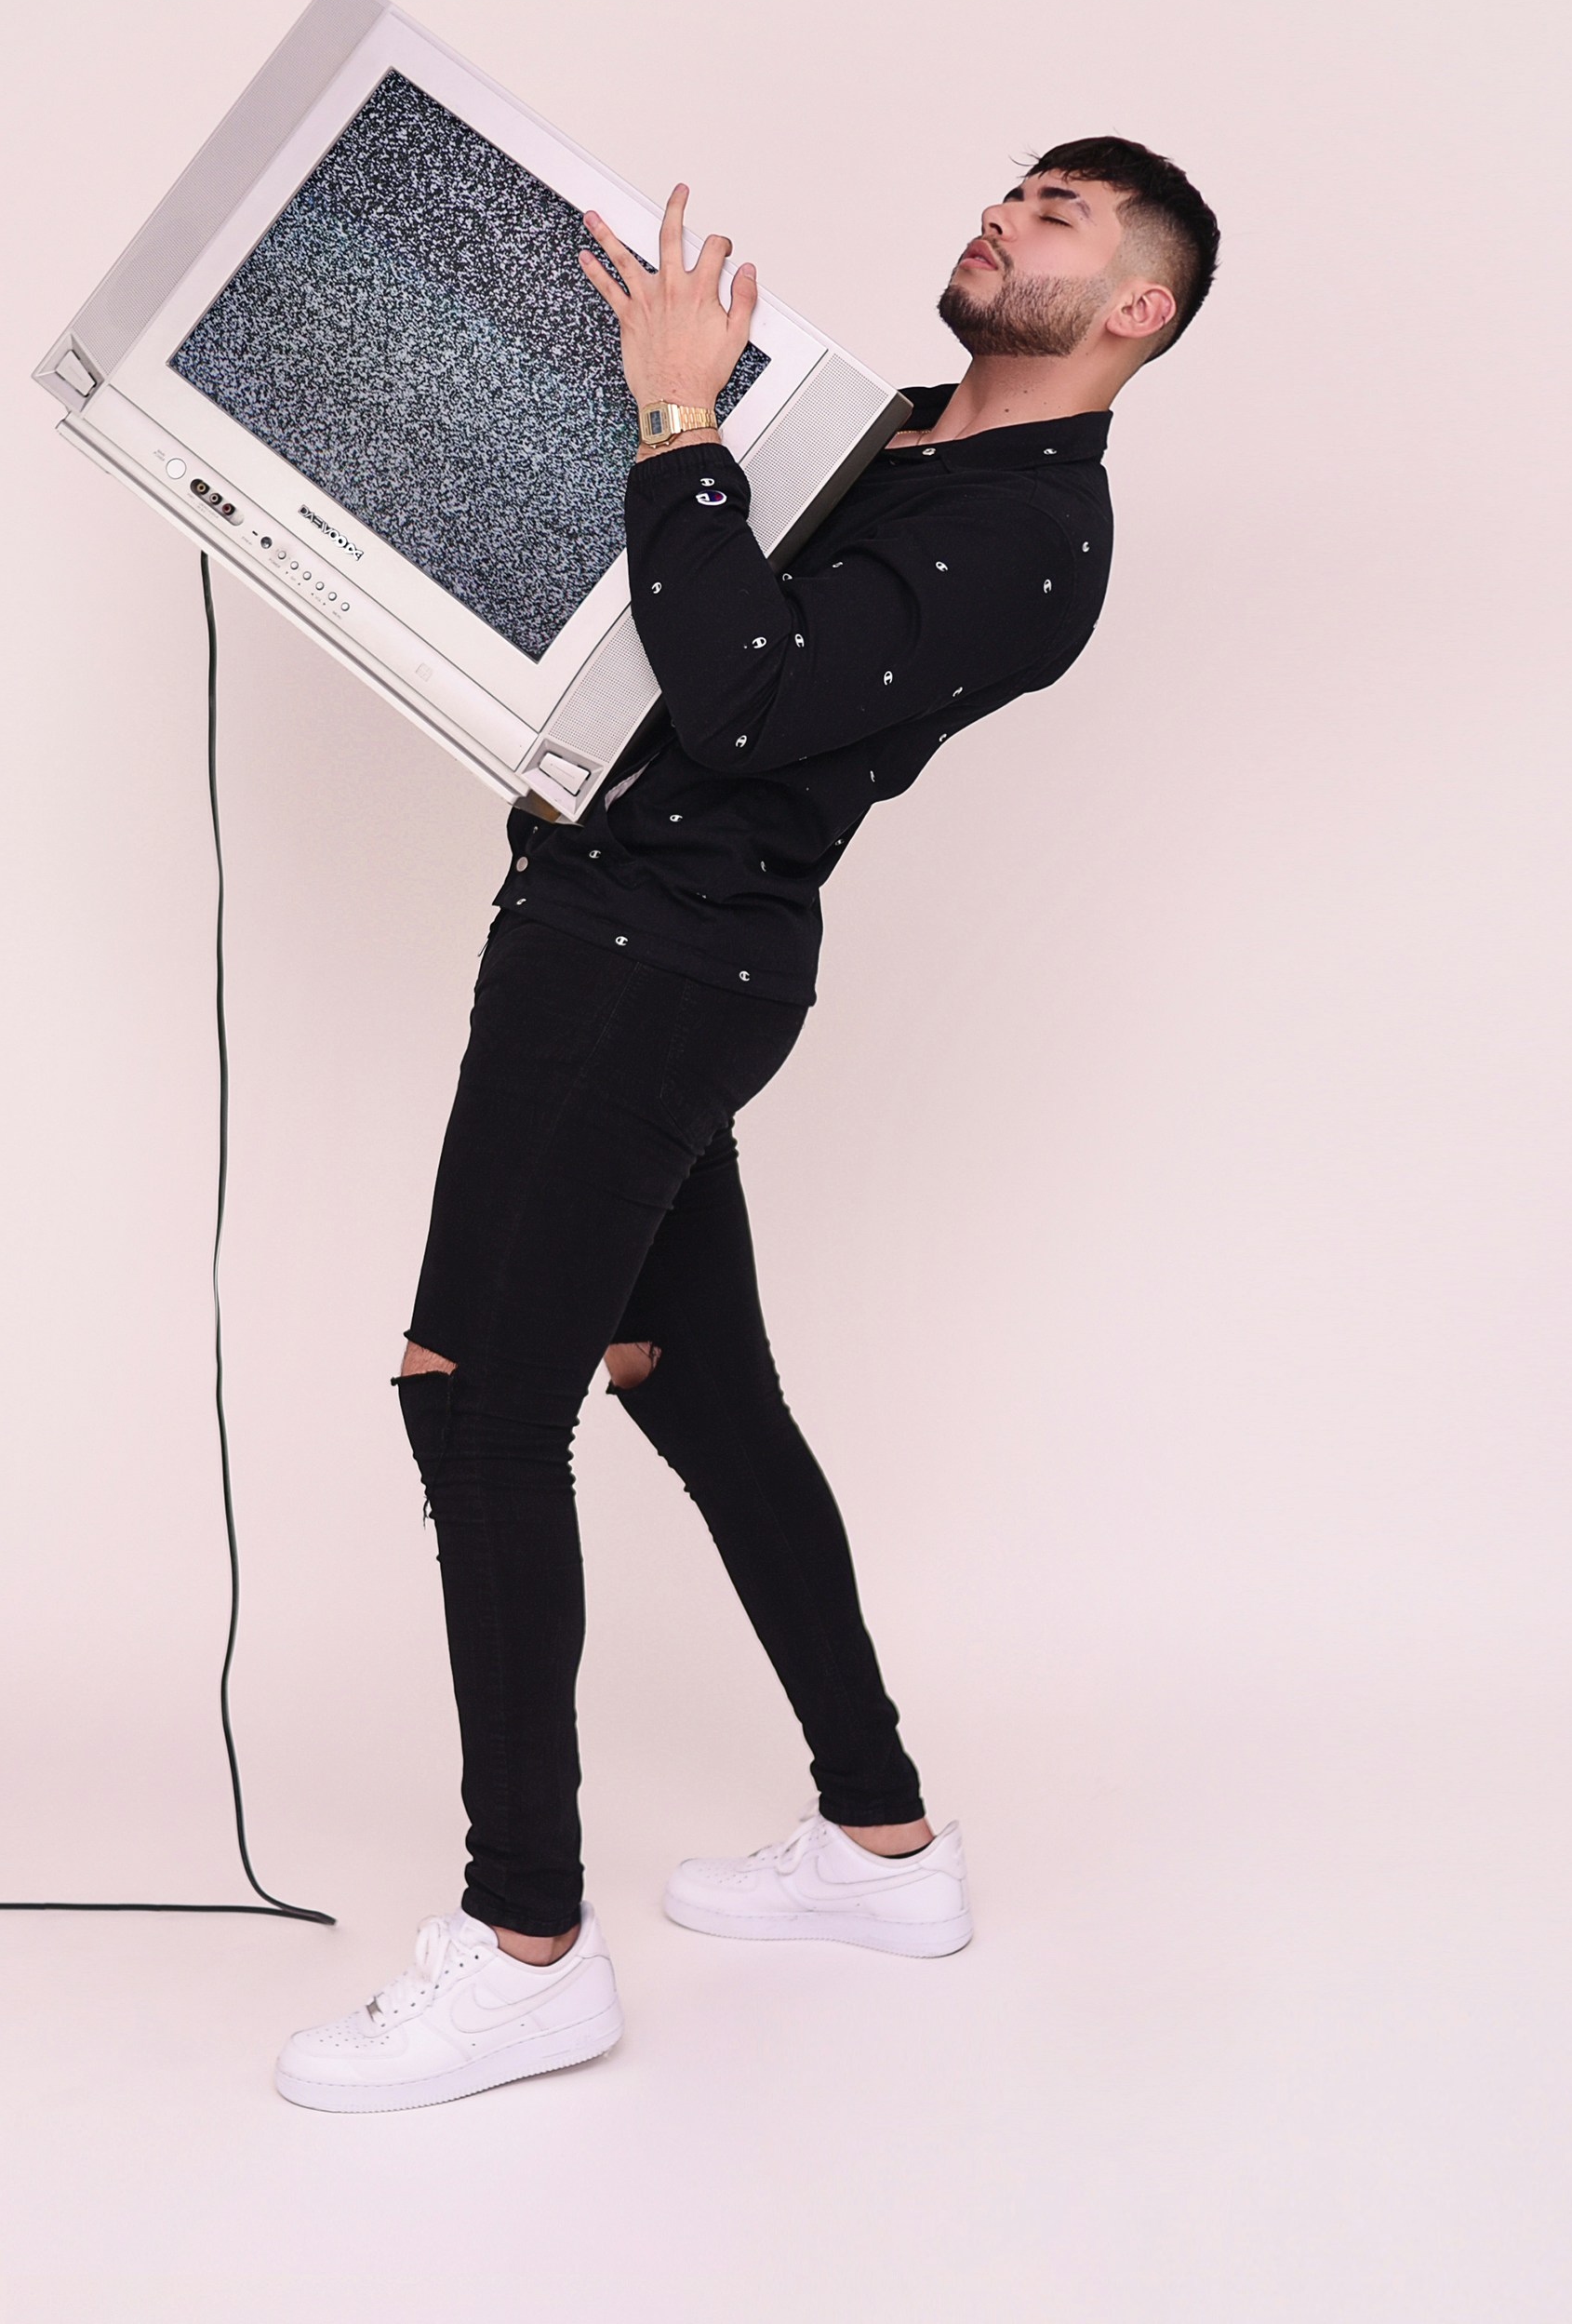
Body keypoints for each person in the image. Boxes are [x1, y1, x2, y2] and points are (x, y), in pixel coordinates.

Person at [273, 138, 1220, 2114]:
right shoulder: (884, 434)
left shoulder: (1035, 533)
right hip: (620, 942)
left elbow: (738, 693)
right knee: (684, 1382)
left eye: (1057, 216)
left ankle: (524, 1941)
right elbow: (646, 603)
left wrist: (681, 415)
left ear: (1134, 309)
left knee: (474, 1394)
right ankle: (883, 1846)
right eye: (1009, 186)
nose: (1003, 212)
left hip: (648, 972)